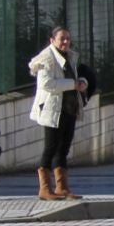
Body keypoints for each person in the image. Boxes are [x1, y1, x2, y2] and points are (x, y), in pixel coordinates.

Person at [28, 25, 89, 201]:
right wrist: (73, 84)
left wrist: (82, 82)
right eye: (61, 39)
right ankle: (45, 189)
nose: (65, 42)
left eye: (67, 38)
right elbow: (46, 84)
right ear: (52, 40)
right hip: (52, 110)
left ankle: (62, 187)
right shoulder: (46, 58)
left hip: (69, 108)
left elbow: (74, 77)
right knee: (50, 148)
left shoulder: (69, 56)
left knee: (63, 149)